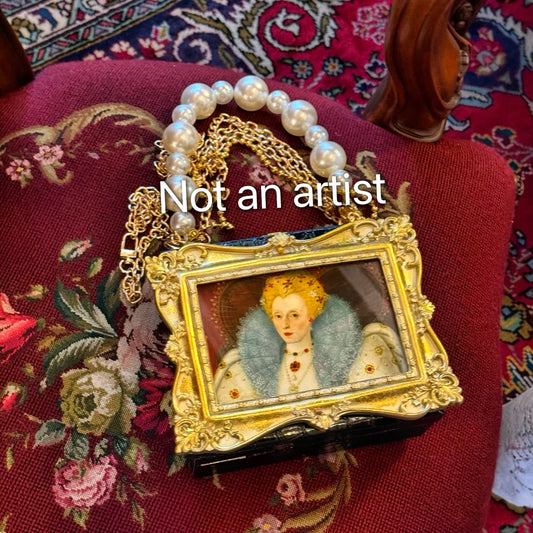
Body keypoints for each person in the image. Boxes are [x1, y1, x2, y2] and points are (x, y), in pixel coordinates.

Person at [214, 271, 405, 404]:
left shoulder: (345, 355)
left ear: (312, 316)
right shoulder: (249, 365)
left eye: (294, 315)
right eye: (278, 316)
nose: (285, 324)